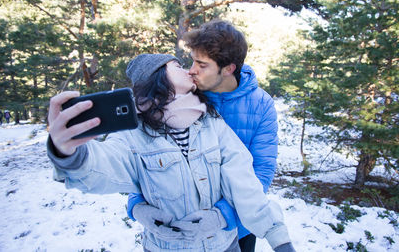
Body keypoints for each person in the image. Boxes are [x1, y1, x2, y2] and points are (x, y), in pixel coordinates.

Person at [47, 53, 294, 252]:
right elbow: (104, 167)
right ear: (157, 78)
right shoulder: (133, 133)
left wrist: (278, 238)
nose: (188, 70)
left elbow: (245, 182)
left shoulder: (211, 122)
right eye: (177, 65)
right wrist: (69, 153)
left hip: (224, 245)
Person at [127, 20, 286, 252]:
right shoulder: (183, 95)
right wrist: (136, 203)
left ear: (228, 69)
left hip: (237, 227)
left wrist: (224, 216)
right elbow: (146, 150)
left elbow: (261, 172)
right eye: (192, 61)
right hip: (180, 230)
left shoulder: (261, 105)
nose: (191, 70)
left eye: (201, 64)